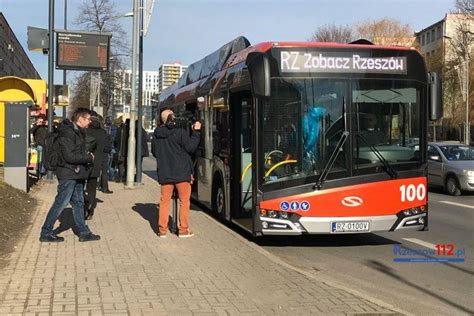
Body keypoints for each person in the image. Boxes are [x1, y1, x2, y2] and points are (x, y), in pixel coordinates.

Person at [39, 108, 100, 243]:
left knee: (78, 202)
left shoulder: (77, 132)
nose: (90, 122)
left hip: (76, 173)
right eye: (88, 119)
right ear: (80, 119)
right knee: (61, 202)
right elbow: (70, 156)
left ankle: (83, 232)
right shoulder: (68, 133)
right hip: (68, 173)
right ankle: (45, 232)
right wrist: (89, 157)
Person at [155, 109, 201, 238]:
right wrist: (196, 132)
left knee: (164, 202)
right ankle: (183, 230)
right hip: (181, 173)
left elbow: (154, 151)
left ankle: (162, 231)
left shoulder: (157, 134)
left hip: (165, 173)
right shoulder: (180, 132)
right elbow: (191, 147)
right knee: (184, 201)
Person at [84, 114, 112, 221]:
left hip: (85, 163)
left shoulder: (85, 131)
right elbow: (107, 148)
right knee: (92, 187)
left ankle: (83, 207)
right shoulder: (103, 133)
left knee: (81, 186)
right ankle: (90, 209)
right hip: (97, 163)